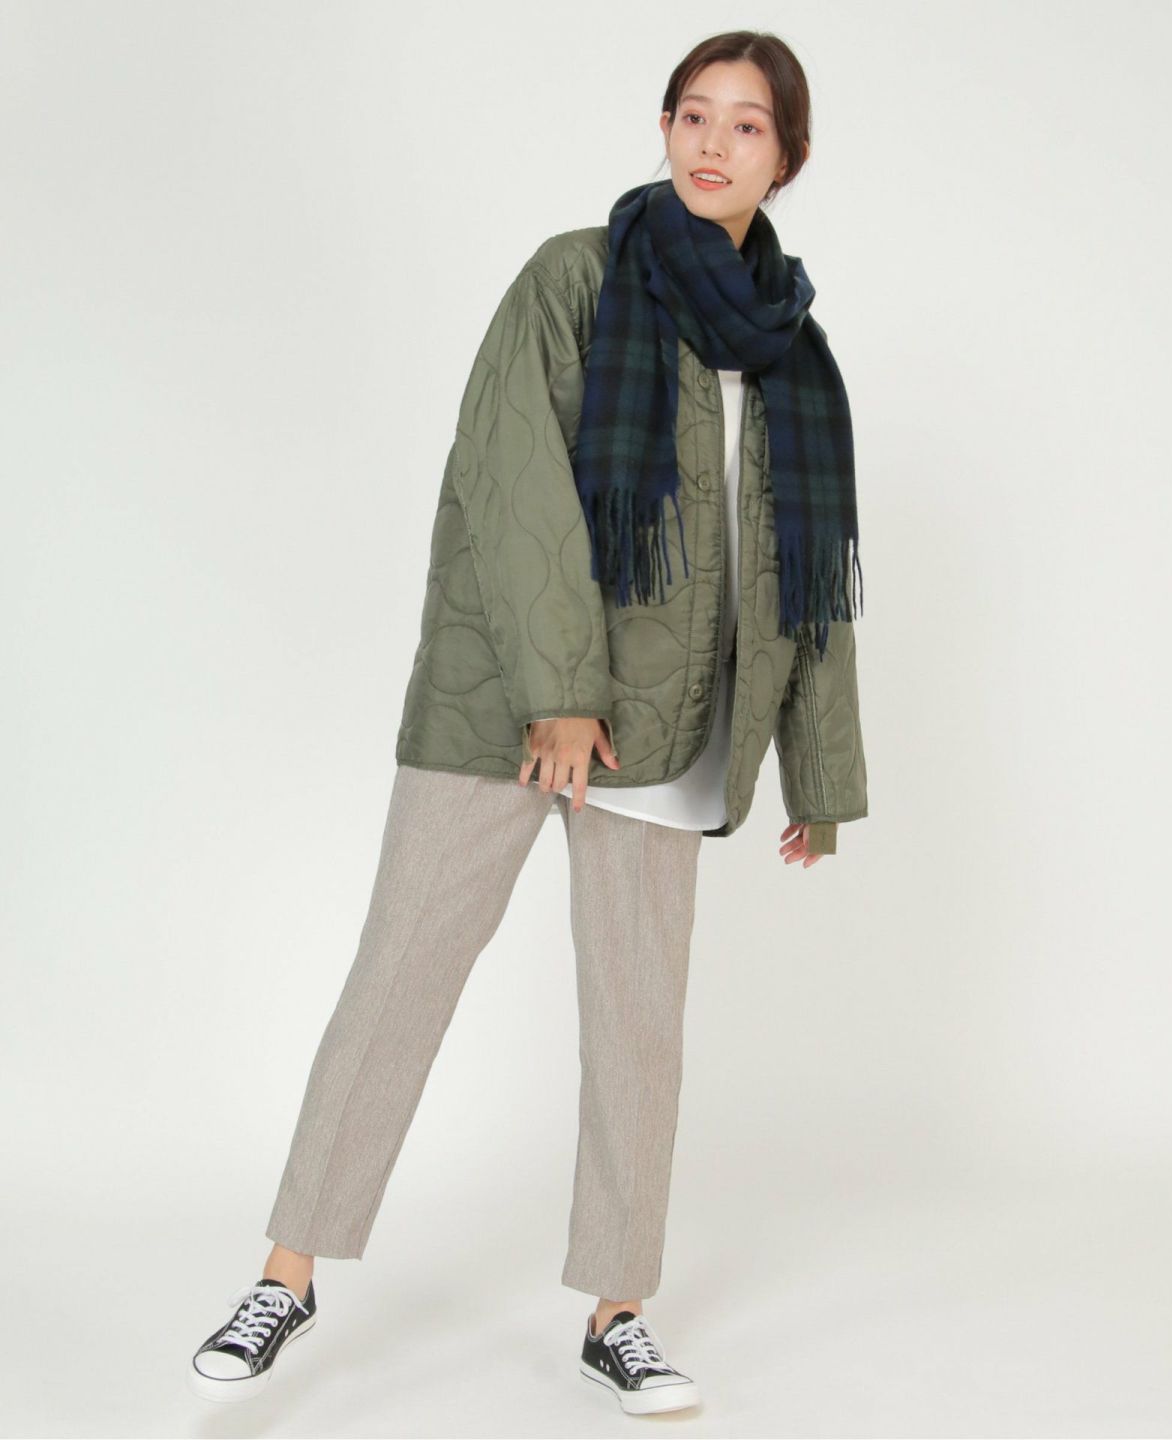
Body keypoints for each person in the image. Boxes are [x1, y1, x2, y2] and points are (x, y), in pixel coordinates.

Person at [187, 27, 868, 1417]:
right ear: (663, 127)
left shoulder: (795, 349)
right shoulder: (577, 275)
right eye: (692, 114)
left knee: (638, 1027)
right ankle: (286, 1276)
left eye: (745, 125)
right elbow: (510, 482)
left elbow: (801, 572)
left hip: (675, 723)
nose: (711, 143)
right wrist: (561, 691)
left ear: (788, 159)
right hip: (508, 701)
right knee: (401, 976)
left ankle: (619, 1310)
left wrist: (820, 770)